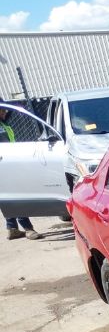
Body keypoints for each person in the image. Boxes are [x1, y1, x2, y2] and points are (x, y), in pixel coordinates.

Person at [0, 100, 42, 241]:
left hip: (9, 163)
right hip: (4, 165)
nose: (5, 111)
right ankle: (28, 228)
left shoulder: (3, 124)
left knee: (7, 197)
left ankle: (12, 228)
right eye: (2, 109)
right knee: (16, 196)